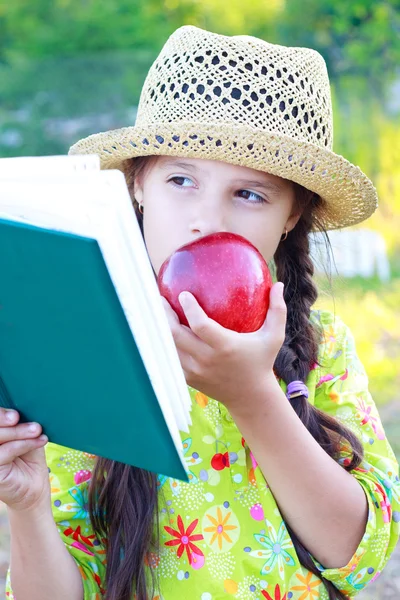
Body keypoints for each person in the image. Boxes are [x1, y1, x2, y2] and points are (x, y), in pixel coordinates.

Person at [4, 25, 400, 600]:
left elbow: (358, 552)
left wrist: (251, 395)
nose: (206, 219)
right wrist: (29, 504)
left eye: (250, 194)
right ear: (138, 183)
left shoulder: (322, 346)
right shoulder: (84, 354)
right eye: (182, 179)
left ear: (293, 214)